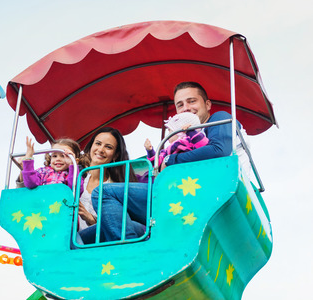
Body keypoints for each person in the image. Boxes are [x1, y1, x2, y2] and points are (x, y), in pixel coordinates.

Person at [92, 81, 251, 242]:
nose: (186, 108)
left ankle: (127, 249)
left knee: (104, 192)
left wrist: (170, 159)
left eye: (192, 101)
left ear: (207, 104)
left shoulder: (219, 119)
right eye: (180, 105)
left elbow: (218, 150)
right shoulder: (183, 138)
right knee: (96, 229)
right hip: (180, 196)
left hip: (201, 194)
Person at [76, 127, 145, 243]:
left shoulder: (116, 186)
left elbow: (119, 223)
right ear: (91, 146)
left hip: (103, 237)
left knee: (135, 227)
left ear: (115, 155)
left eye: (108, 147)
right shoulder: (75, 177)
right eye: (98, 143)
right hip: (76, 238)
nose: (101, 149)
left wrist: (91, 220)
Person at [144, 112, 209, 168]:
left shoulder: (192, 141)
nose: (168, 134)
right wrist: (150, 151)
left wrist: (190, 131)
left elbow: (203, 146)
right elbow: (157, 164)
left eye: (169, 130)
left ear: (178, 131)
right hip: (175, 176)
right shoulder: (168, 149)